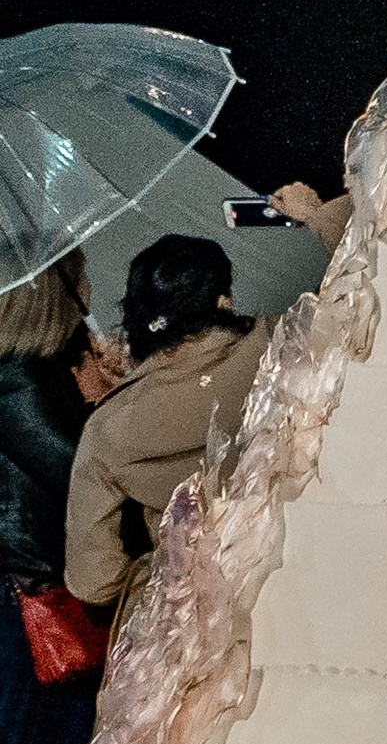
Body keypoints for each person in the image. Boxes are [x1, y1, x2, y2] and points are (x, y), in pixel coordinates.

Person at [64, 237, 271, 613]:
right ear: (223, 297)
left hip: (204, 608)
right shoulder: (276, 341)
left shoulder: (108, 428)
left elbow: (93, 580)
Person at [0, 255, 125, 744]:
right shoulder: (19, 379)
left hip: (33, 594)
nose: (91, 290)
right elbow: (80, 470)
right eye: (82, 277)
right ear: (55, 295)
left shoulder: (36, 371)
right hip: (32, 602)